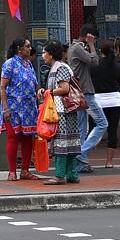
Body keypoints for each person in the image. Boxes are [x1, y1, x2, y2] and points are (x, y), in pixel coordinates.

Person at [42, 40, 83, 185]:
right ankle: (72, 175)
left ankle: (59, 175)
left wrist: (49, 92)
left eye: (44, 52)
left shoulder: (60, 68)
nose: (43, 56)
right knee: (69, 142)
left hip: (62, 111)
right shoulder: (56, 68)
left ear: (51, 54)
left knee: (61, 142)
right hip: (63, 110)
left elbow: (64, 88)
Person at [0, 38, 39, 181]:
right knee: (13, 138)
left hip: (29, 108)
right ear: (19, 49)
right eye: (27, 46)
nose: (30, 49)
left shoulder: (28, 64)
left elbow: (34, 84)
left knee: (28, 139)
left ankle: (25, 170)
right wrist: (6, 109)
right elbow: (3, 87)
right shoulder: (9, 64)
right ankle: (12, 171)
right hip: (13, 107)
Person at [69, 28, 104, 171]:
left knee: (81, 128)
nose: (94, 41)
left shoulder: (74, 48)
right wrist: (91, 45)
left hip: (79, 93)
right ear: (89, 36)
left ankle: (80, 164)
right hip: (85, 93)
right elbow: (94, 61)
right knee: (102, 123)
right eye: (94, 38)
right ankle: (81, 154)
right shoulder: (78, 48)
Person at [88, 42, 120, 168]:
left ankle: (86, 159)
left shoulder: (94, 66)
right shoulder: (118, 66)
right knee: (112, 130)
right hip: (114, 99)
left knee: (93, 129)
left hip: (97, 99)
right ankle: (109, 161)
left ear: (100, 51)